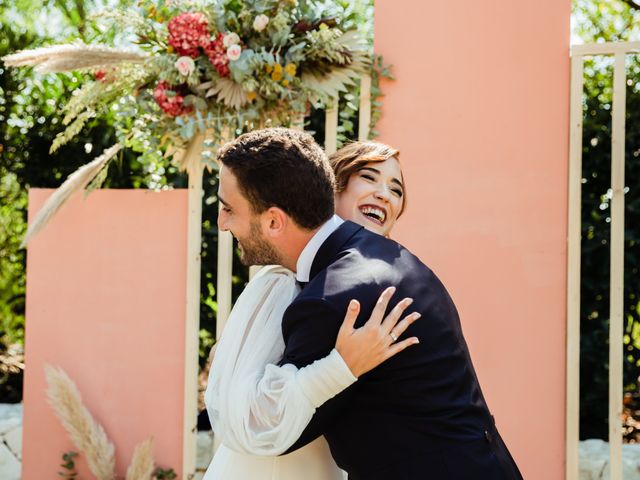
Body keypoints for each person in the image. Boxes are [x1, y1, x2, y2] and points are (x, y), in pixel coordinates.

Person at [211, 128, 524, 479]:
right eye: (369, 177)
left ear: (273, 220)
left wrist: (335, 368)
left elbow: (273, 427)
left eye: (227, 209)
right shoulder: (390, 260)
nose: (222, 223)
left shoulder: (333, 300)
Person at [204, 140, 417, 479]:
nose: (384, 194)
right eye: (370, 177)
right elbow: (246, 411)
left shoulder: (379, 288)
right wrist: (338, 368)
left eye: (396, 189)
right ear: (329, 190)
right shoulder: (283, 280)